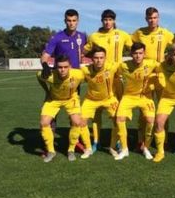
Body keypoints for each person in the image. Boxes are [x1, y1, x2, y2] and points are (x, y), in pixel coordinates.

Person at [84, 9, 133, 151]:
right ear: (102, 20)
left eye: (110, 19)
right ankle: (96, 141)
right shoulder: (94, 36)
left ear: (114, 21)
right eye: (105, 19)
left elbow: (136, 49)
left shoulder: (123, 35)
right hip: (98, 77)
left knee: (117, 112)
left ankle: (117, 139)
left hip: (117, 78)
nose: (107, 22)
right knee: (96, 111)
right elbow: (84, 51)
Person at [41, 9, 87, 151]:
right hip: (58, 80)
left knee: (74, 113)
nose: (71, 23)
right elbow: (45, 55)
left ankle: (76, 141)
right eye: (69, 20)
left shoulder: (83, 36)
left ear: (78, 21)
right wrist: (44, 65)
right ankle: (48, 143)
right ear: (65, 21)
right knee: (51, 114)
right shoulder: (57, 37)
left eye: (74, 20)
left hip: (74, 81)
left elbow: (91, 51)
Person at [132, 7, 175, 149]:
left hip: (162, 76)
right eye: (150, 18)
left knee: (163, 109)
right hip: (146, 76)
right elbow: (128, 44)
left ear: (159, 18)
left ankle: (165, 139)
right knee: (144, 108)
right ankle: (141, 139)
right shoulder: (139, 33)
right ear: (146, 18)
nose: (152, 20)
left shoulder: (166, 34)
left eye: (155, 17)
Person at [36, 55, 87, 163]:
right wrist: (46, 90)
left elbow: (90, 78)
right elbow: (38, 75)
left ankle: (71, 150)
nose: (62, 70)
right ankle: (51, 151)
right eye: (59, 67)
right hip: (53, 99)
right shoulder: (49, 75)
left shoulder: (78, 74)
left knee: (77, 122)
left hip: (71, 99)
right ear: (55, 67)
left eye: (65, 67)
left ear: (70, 66)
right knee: (44, 123)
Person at [115, 42, 159, 160]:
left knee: (150, 120)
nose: (138, 56)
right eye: (135, 53)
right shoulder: (123, 66)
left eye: (140, 53)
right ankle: (124, 149)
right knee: (119, 118)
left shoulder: (151, 63)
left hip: (145, 97)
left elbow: (164, 67)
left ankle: (146, 148)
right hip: (128, 96)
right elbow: (114, 73)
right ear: (131, 54)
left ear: (144, 54)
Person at [79, 46, 120, 159]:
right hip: (91, 100)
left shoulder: (112, 67)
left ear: (105, 58)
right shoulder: (85, 70)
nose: (99, 60)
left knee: (118, 120)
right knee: (81, 121)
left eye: (101, 57)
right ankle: (88, 148)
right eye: (96, 58)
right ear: (92, 59)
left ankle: (112, 147)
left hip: (109, 99)